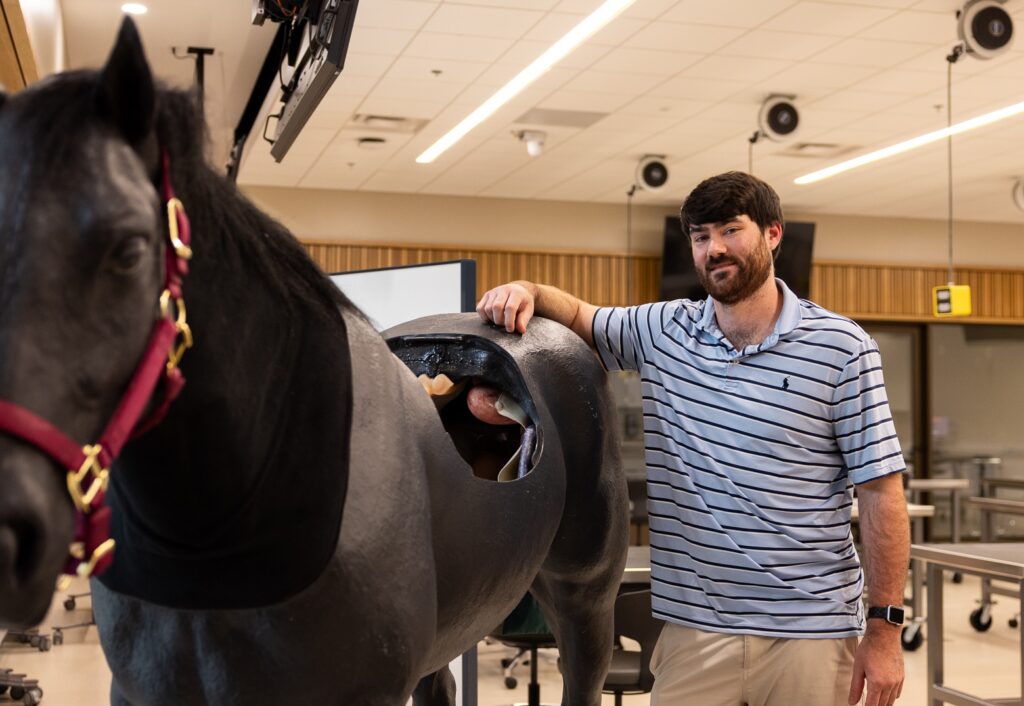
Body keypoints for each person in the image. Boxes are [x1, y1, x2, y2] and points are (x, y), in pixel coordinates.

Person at [476, 171, 909, 706]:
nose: (714, 249)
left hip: (811, 632)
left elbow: (881, 494)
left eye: (731, 230)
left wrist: (885, 633)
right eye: (701, 237)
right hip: (695, 633)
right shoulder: (663, 331)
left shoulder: (842, 348)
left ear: (773, 234)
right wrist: (527, 291)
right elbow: (579, 318)